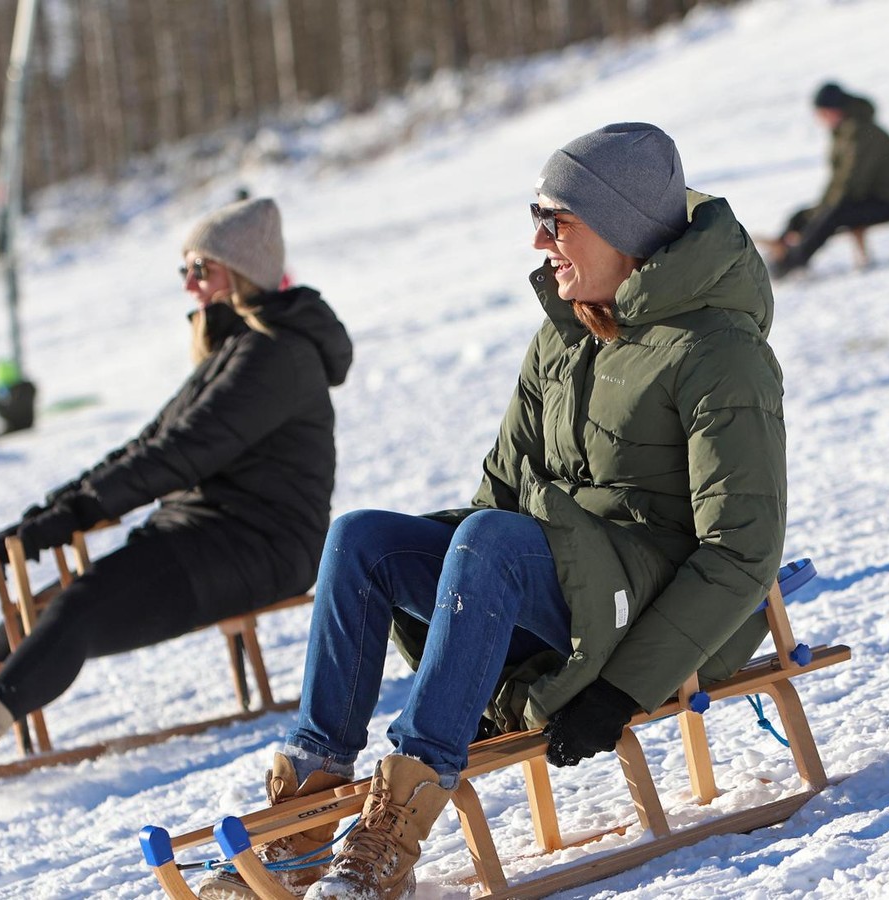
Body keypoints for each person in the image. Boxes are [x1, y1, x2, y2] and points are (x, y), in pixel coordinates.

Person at [199, 124, 788, 900]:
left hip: (655, 614)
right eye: (536, 218)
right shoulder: (564, 334)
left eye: (557, 220)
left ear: (622, 227)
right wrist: (469, 607)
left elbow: (742, 551)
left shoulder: (721, 351)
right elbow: (502, 493)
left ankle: (395, 829)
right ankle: (308, 810)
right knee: (364, 540)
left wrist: (623, 690)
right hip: (560, 580)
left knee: (491, 540)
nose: (541, 241)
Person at [0, 197, 355, 789]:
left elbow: (180, 453)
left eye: (202, 270)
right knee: (44, 604)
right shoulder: (238, 347)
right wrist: (50, 512)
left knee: (81, 606)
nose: (190, 286)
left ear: (243, 272)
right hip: (204, 532)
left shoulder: (277, 356)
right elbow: (148, 442)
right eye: (184, 271)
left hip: (262, 547)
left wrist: (72, 516)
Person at [768, 82, 889, 278]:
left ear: (834, 110)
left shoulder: (862, 133)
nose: (820, 119)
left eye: (822, 113)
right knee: (800, 216)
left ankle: (793, 262)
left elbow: (853, 182)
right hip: (865, 197)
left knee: (833, 214)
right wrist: (818, 210)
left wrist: (825, 210)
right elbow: (839, 181)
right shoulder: (844, 133)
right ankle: (779, 254)